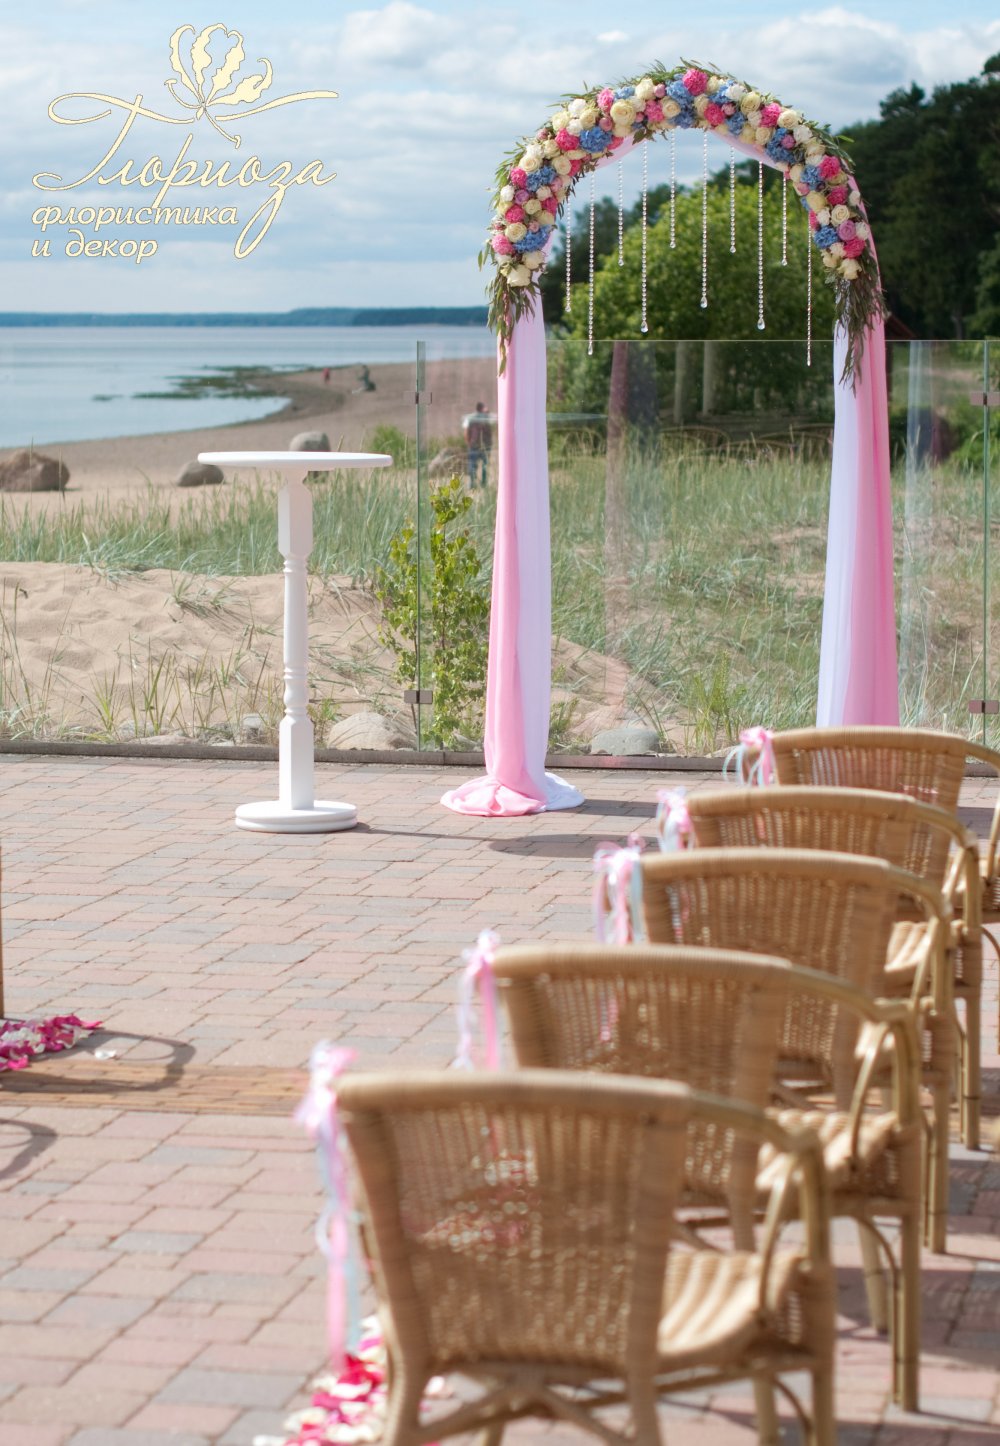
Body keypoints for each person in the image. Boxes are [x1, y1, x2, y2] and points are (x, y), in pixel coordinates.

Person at [463, 401, 492, 488]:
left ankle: (482, 483)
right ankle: (472, 483)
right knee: (473, 465)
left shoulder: (485, 419)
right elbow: (466, 432)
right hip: (475, 446)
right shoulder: (471, 418)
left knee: (484, 466)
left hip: (483, 446)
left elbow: (489, 432)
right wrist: (469, 443)